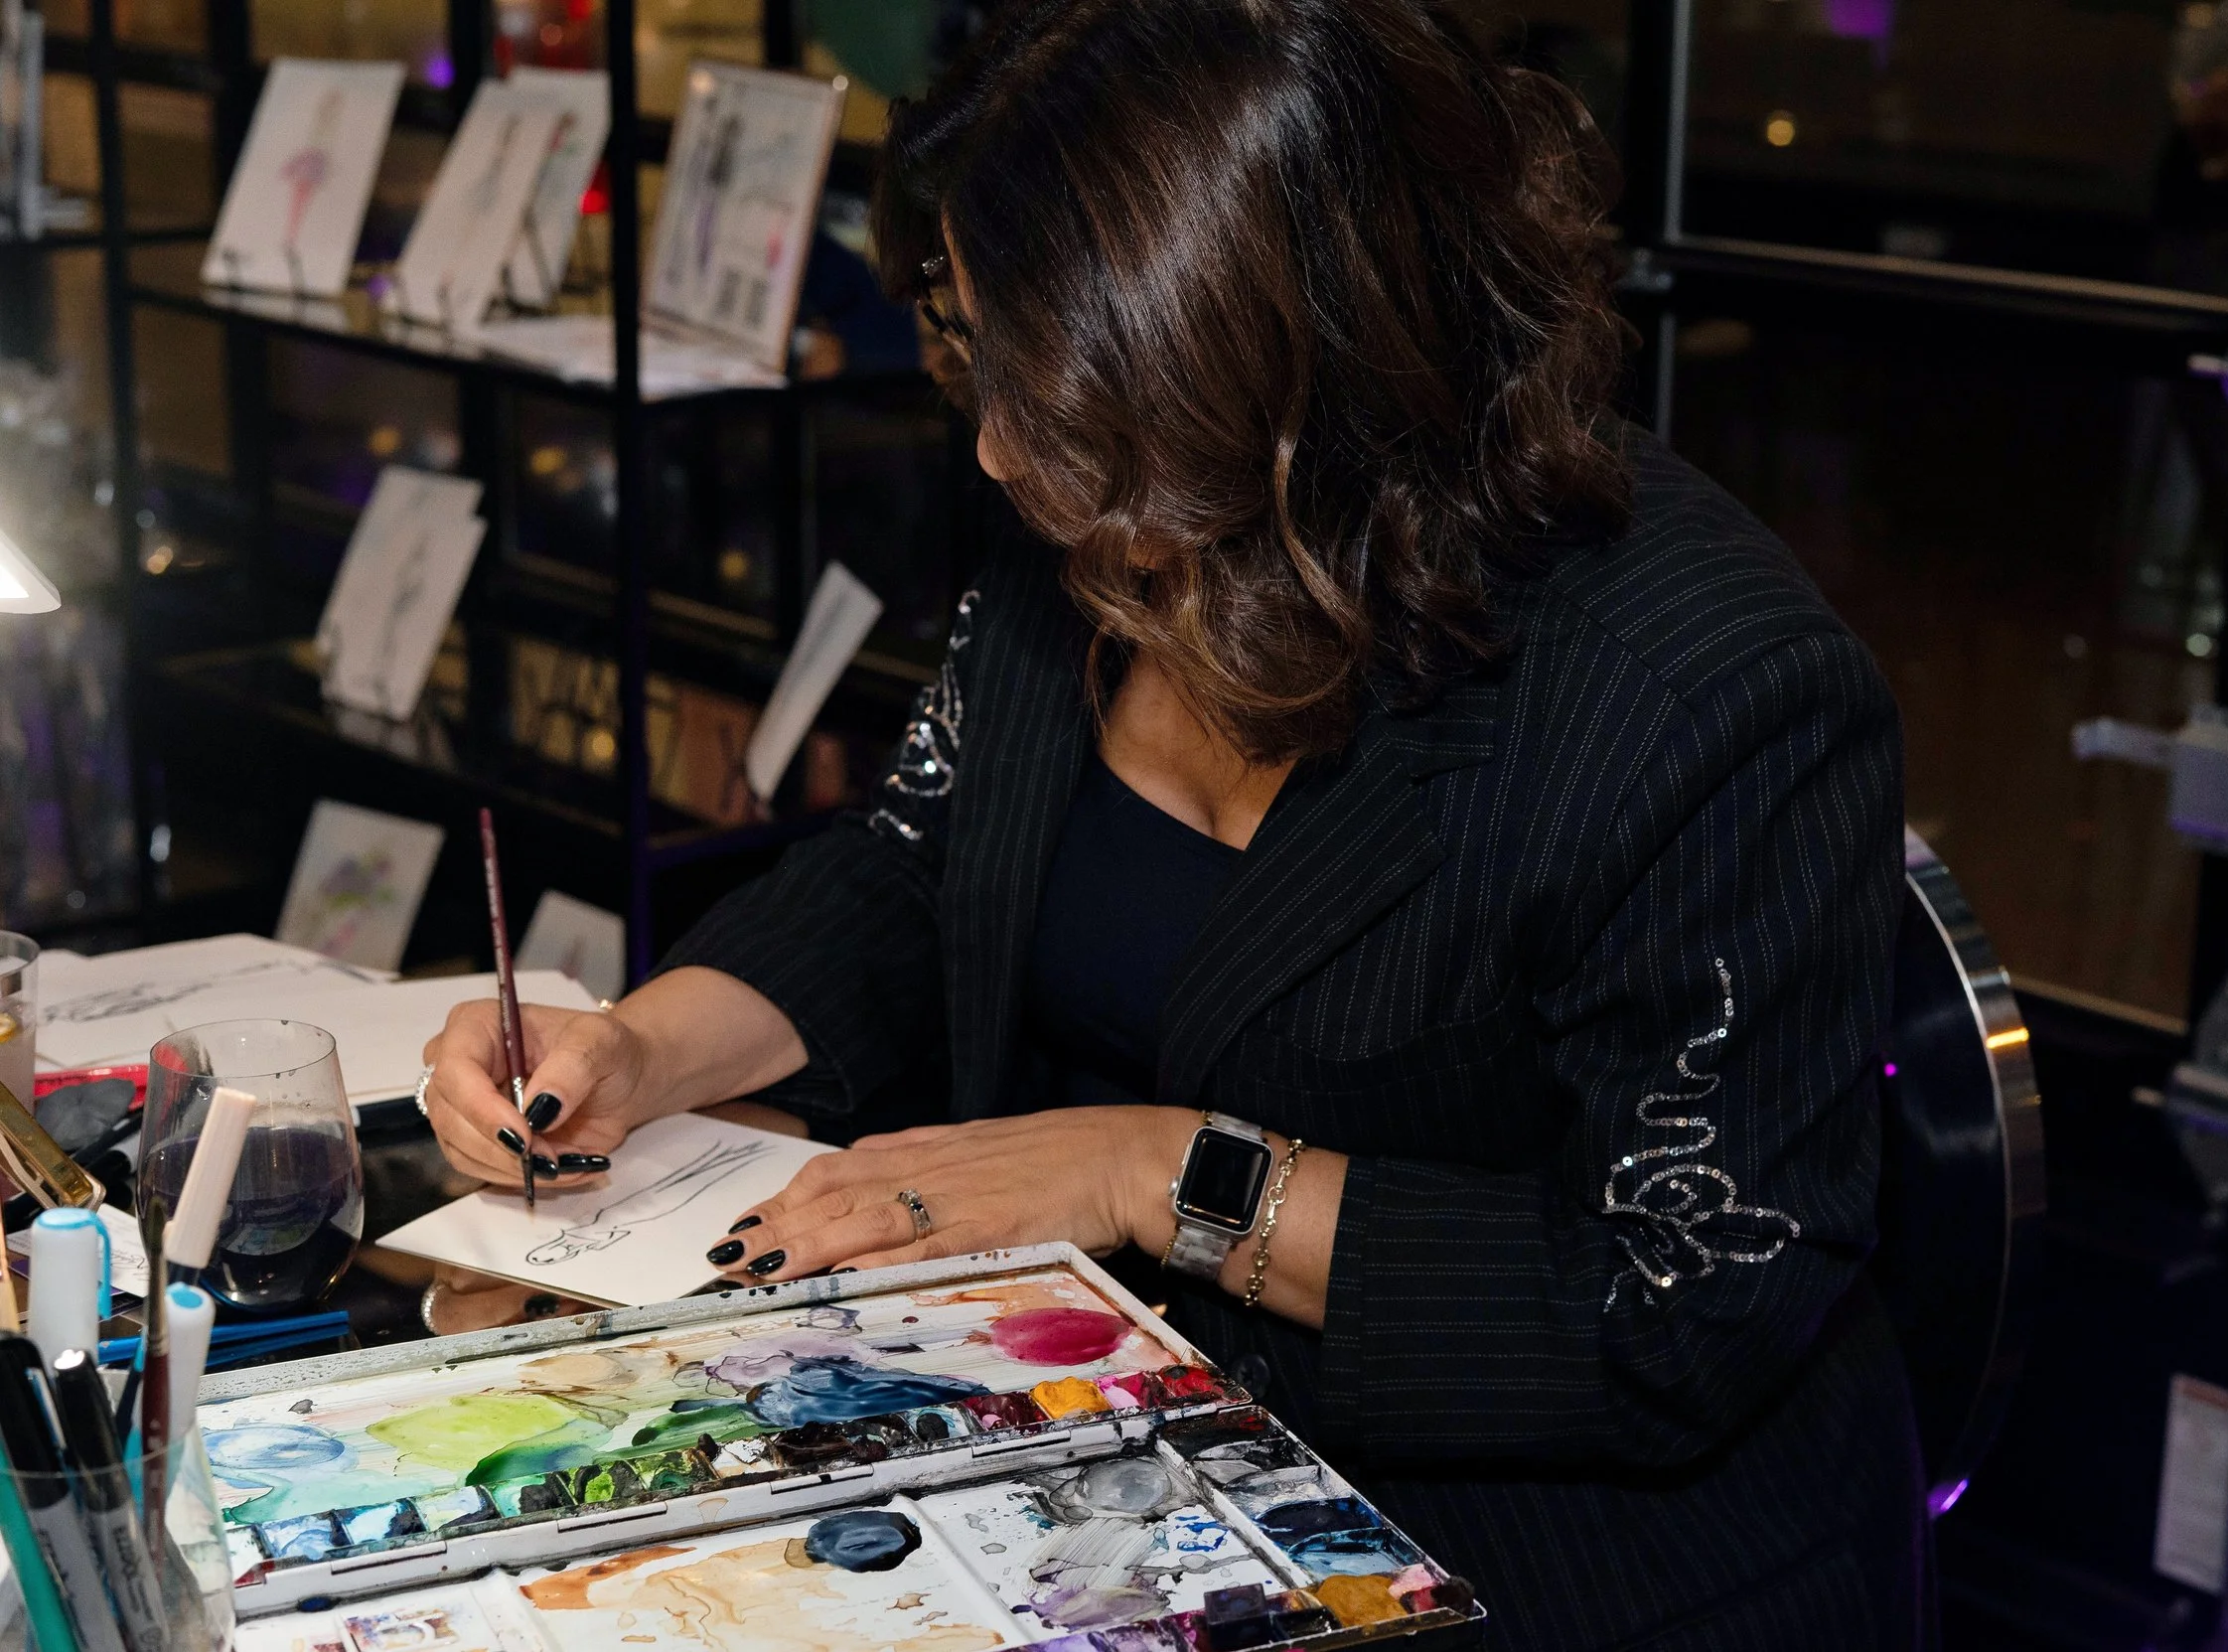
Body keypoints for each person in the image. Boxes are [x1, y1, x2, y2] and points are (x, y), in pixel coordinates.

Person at [421, 1, 1923, 1643]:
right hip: (1106, 1444)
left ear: (1271, 380)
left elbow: (1671, 1302)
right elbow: (916, 870)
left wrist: (1158, 1170)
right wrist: (639, 1051)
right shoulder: (1118, 522)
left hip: (1552, 1555)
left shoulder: (1699, 695)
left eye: (1059, 395)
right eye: (988, 356)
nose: (996, 447)